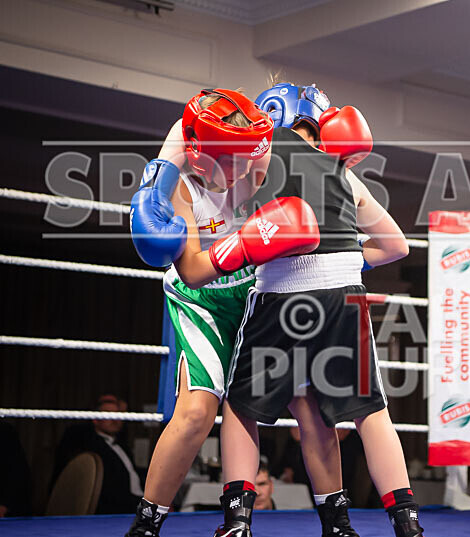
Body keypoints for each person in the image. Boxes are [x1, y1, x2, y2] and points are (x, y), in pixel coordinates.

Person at [217, 82, 419, 537]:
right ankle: (394, 524)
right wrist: (346, 258)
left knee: (241, 407)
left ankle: (237, 522)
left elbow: (227, 213)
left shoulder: (261, 152)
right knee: (360, 411)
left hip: (281, 292)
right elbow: (396, 246)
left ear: (272, 114)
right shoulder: (345, 171)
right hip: (343, 293)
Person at [125, 88, 319, 537]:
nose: (239, 172)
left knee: (274, 406)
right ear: (200, 154)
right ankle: (145, 525)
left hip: (255, 293)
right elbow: (193, 272)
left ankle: (240, 522)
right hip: (202, 300)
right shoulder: (179, 181)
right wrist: (247, 243)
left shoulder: (263, 157)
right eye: (228, 161)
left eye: (244, 160)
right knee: (195, 413)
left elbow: (321, 188)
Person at [54, 395, 143, 514]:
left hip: (139, 503)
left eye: (118, 414)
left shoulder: (122, 445)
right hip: (116, 510)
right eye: (108, 415)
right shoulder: (88, 443)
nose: (115, 419)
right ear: (95, 419)